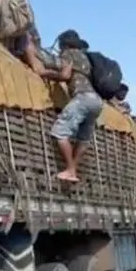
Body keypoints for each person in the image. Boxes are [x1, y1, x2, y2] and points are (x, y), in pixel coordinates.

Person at [46, 30, 103, 182]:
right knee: (83, 139)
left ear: (63, 44)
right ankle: (73, 170)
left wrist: (45, 74)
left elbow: (65, 75)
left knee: (59, 132)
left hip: (82, 97)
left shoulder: (68, 54)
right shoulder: (85, 58)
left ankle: (70, 169)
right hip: (96, 101)